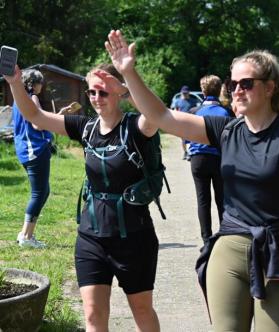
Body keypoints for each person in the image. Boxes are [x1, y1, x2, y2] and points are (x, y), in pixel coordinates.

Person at [105, 29, 279, 331]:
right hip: (230, 251)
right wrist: (129, 72)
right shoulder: (226, 130)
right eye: (232, 83)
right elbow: (162, 117)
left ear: (270, 87)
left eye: (246, 83)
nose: (236, 90)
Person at [4, 63, 161, 331]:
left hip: (133, 238)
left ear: (118, 93)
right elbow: (35, 116)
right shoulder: (85, 128)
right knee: (92, 315)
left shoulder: (137, 127)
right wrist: (14, 82)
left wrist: (126, 84)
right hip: (91, 237)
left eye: (104, 92)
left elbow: (158, 114)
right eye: (91, 92)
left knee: (142, 310)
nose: (97, 99)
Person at [187, 75, 230, 244]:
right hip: (218, 159)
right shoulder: (226, 112)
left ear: (202, 90)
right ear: (220, 89)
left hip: (198, 159)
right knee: (221, 199)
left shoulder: (194, 112)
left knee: (203, 200)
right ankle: (224, 236)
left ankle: (206, 239)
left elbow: (186, 137)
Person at [11, 69, 52, 248]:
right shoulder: (32, 98)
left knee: (44, 191)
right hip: (35, 149)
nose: (42, 86)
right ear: (34, 84)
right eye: (40, 82)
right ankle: (26, 237)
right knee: (38, 193)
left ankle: (25, 233)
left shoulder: (18, 99)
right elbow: (38, 123)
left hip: (25, 150)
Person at [173, 85, 196, 160]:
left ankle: (190, 153)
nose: (185, 94)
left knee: (191, 138)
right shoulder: (178, 101)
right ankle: (185, 152)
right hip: (181, 123)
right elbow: (175, 111)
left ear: (189, 93)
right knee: (183, 139)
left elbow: (196, 110)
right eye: (183, 93)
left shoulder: (193, 101)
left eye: (186, 93)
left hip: (191, 122)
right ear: (181, 93)